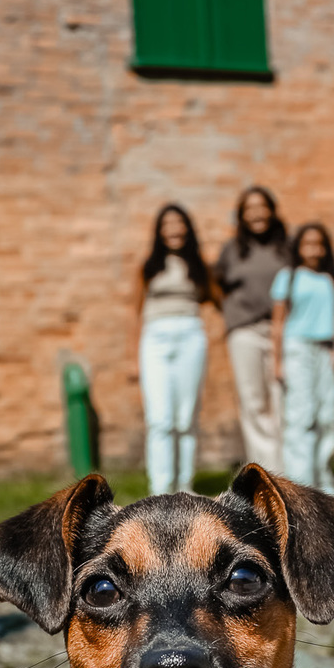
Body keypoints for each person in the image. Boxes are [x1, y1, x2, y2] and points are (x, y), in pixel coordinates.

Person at [134, 204, 217, 496]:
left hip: (190, 334)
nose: (174, 230)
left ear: (188, 229)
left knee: (186, 417)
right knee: (160, 419)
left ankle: (184, 486)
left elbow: (216, 296)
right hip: (155, 338)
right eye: (167, 224)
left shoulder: (198, 266)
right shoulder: (148, 267)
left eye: (179, 223)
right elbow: (136, 309)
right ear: (159, 232)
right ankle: (160, 488)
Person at [214, 186, 288, 472]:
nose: (257, 213)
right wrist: (232, 312)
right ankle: (265, 473)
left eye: (262, 206)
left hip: (282, 330)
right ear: (242, 216)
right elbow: (213, 283)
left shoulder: (287, 246)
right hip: (244, 332)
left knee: (282, 399)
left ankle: (287, 470)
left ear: (272, 210)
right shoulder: (231, 251)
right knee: (253, 402)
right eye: (250, 208)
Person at [271, 222, 334, 492]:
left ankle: (323, 477)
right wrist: (278, 360)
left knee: (327, 415)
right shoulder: (288, 276)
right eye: (308, 243)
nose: (314, 249)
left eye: (319, 244)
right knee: (301, 414)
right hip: (297, 347)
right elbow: (278, 322)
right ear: (298, 247)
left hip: (325, 349)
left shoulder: (329, 278)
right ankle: (301, 482)